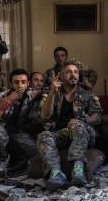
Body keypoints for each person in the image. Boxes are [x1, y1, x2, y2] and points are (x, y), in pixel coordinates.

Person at [38, 61, 103, 190]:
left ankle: (78, 169)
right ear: (61, 76)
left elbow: (98, 116)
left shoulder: (87, 94)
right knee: (44, 135)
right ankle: (56, 173)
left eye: (75, 72)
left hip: (84, 133)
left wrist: (86, 120)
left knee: (75, 123)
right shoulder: (54, 94)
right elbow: (45, 115)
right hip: (63, 134)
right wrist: (51, 91)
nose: (73, 75)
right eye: (68, 72)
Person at [0, 69, 43, 177]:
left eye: (23, 82)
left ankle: (15, 162)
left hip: (14, 133)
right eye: (16, 82)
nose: (20, 85)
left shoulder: (29, 96)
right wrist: (9, 100)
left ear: (28, 83)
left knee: (34, 150)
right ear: (11, 84)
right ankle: (2, 160)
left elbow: (41, 91)